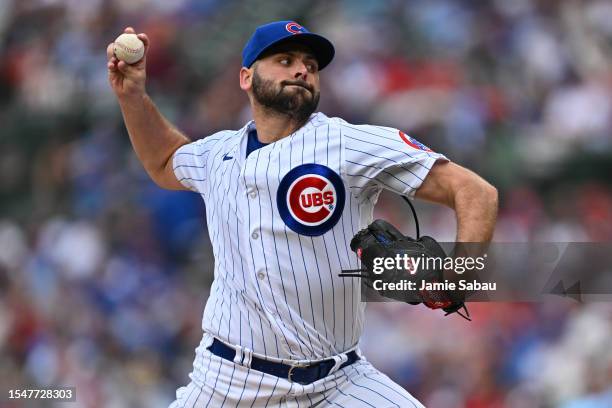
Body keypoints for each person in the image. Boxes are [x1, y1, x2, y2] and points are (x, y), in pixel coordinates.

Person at [107, 20, 497, 407]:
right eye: (285, 59)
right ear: (246, 77)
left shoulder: (348, 143)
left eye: (311, 65)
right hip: (226, 382)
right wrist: (133, 96)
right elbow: (164, 160)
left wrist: (458, 276)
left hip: (338, 383)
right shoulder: (218, 154)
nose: (302, 70)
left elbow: (475, 191)